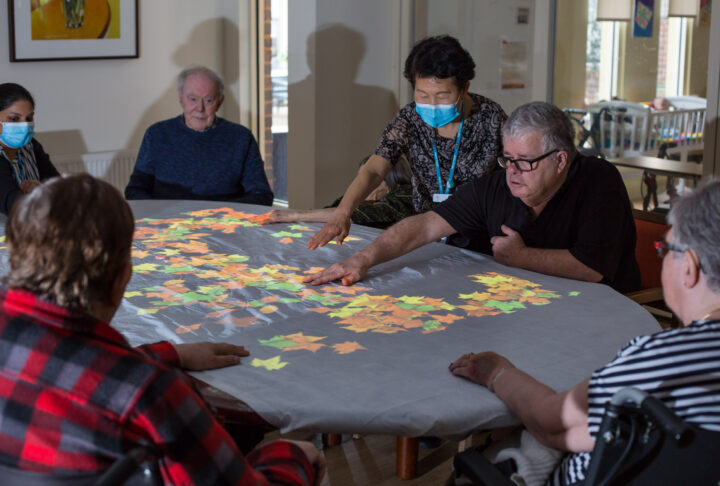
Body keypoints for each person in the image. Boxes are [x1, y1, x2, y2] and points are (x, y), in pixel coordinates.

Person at [0, 174, 324, 484]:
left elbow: (70, 362)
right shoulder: (149, 393)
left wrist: (169, 353)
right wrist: (291, 454)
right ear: (122, 280)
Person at [448, 178, 720, 485]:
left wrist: (495, 372)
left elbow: (552, 424)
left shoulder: (664, 359)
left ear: (689, 267)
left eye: (665, 249)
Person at [304, 101, 640, 294]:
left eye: (524, 162)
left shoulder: (599, 181)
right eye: (507, 159)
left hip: (603, 310)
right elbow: (425, 226)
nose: (512, 172)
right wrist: (362, 260)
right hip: (526, 303)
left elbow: (592, 269)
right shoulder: (497, 185)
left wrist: (521, 256)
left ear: (561, 160)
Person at [307, 35, 506, 249]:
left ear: (464, 88)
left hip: (481, 231)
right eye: (422, 95)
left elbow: (517, 171)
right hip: (428, 231)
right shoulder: (409, 119)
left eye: (442, 96)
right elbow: (374, 169)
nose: (432, 104)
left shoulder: (491, 117)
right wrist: (342, 213)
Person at [125, 66, 274, 205]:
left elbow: (261, 194)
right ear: (181, 100)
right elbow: (135, 190)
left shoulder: (241, 138)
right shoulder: (157, 134)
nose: (200, 108)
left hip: (224, 220)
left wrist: (222, 213)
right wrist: (162, 213)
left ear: (220, 102)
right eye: (193, 99)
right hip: (167, 220)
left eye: (208, 100)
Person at [264, 156, 414, 229]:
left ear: (392, 181)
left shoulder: (407, 194)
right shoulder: (363, 199)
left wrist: (296, 215)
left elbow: (356, 214)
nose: (360, 185)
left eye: (369, 180)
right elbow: (333, 209)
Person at [0, 82, 59, 215]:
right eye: (14, 119)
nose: (25, 125)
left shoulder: (31, 145)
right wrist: (41, 193)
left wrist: (41, 189)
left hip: (35, 223)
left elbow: (58, 186)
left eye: (29, 118)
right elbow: (12, 204)